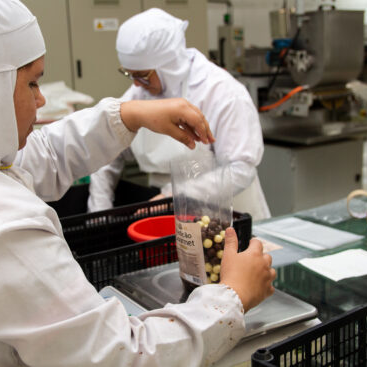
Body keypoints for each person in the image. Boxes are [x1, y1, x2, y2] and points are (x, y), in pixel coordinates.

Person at [0, 1, 276, 366]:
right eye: (32, 84)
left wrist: (127, 115)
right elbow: (121, 356)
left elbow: (39, 156)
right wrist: (230, 300)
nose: (41, 100)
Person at [88, 8, 271, 221]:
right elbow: (108, 152)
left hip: (228, 213)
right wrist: (100, 215)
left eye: (143, 76)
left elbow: (241, 170)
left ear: (169, 65)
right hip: (168, 213)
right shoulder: (139, 93)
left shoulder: (222, 93)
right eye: (129, 75)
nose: (136, 84)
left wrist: (173, 197)